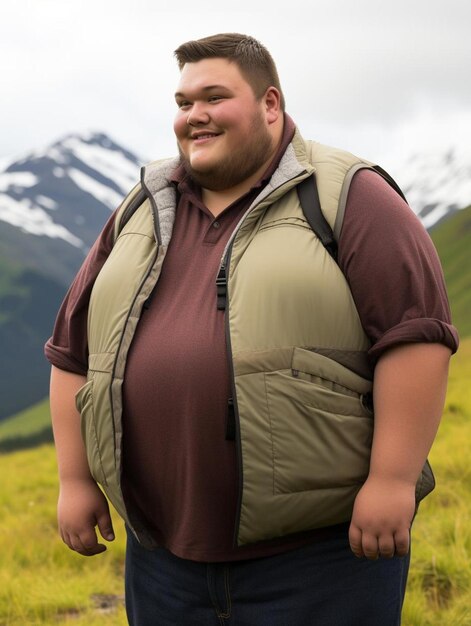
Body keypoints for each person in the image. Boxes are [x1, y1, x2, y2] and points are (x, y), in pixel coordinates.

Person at [45, 33, 458, 626]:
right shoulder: (140, 207)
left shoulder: (348, 195)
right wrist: (75, 480)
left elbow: (416, 337)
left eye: (215, 97)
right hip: (161, 559)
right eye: (184, 103)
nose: (195, 115)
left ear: (270, 104)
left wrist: (392, 481)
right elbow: (73, 351)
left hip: (320, 559)